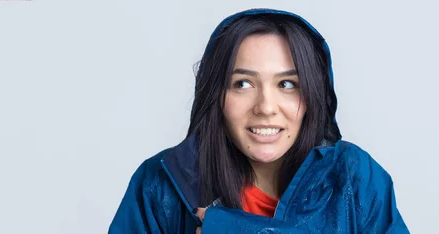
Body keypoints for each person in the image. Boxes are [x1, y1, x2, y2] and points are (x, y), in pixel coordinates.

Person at [108, 8, 409, 233]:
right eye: (243, 84)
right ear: (217, 95)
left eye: (288, 84)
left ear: (313, 97)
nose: (266, 107)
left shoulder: (357, 179)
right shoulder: (160, 187)